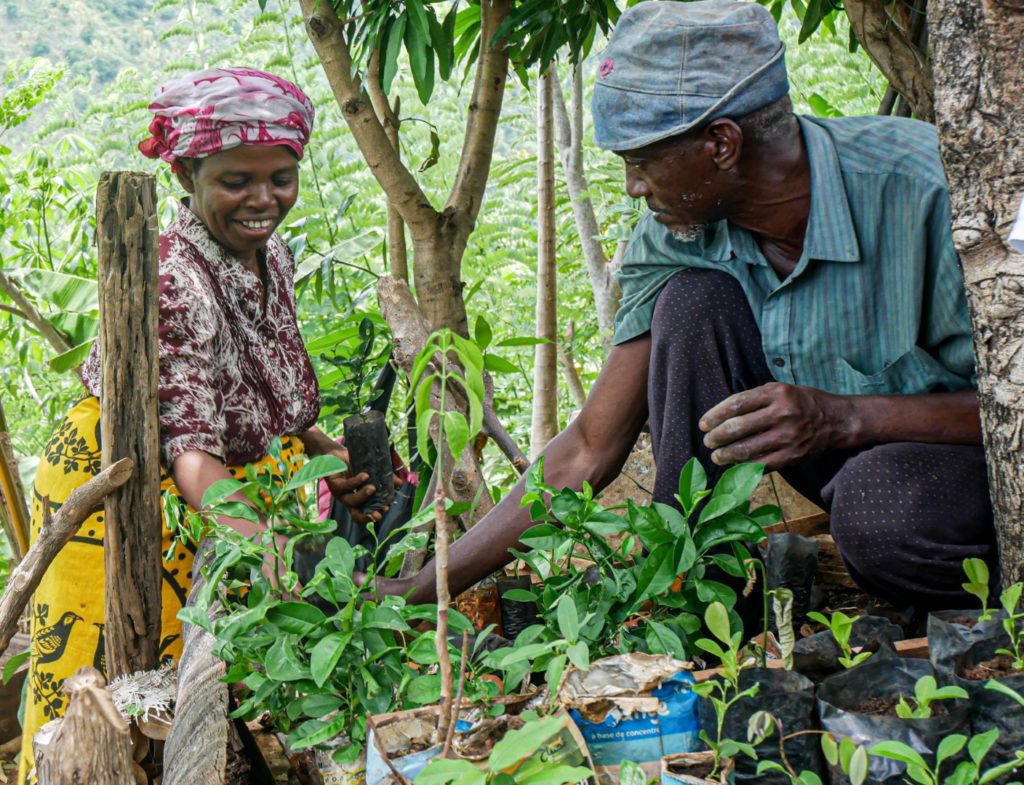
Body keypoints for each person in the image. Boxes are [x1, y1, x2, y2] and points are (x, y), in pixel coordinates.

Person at [378, 0, 995, 614]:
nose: (633, 188)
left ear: (722, 144)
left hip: (965, 473)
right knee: (693, 304)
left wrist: (845, 418)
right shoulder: (679, 231)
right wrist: (426, 585)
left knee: (879, 511)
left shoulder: (929, 191)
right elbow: (591, 443)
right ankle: (705, 604)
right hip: (837, 458)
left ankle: (980, 632)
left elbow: (1010, 408)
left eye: (642, 163)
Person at [18, 67, 378, 783]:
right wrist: (264, 542)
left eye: (282, 177)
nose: (264, 199)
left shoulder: (266, 248)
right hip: (127, 477)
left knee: (203, 681)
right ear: (186, 170)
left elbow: (271, 364)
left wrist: (316, 447)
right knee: (107, 684)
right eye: (237, 180)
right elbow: (188, 453)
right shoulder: (174, 278)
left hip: (222, 480)